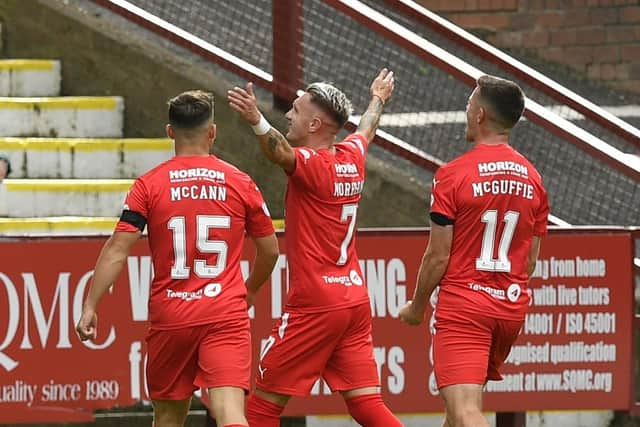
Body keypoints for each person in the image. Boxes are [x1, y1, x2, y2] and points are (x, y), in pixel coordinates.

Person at [76, 90, 279, 427]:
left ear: (170, 132)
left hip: (172, 315)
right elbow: (270, 250)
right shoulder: (241, 182)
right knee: (231, 414)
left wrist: (90, 305)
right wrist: (251, 289)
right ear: (212, 132)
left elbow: (118, 248)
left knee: (168, 418)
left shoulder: (148, 185)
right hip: (224, 312)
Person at [227, 69, 402, 427]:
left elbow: (280, 153)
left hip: (315, 304)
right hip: (353, 298)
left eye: (296, 109)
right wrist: (378, 98)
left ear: (314, 125)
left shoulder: (313, 165)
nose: (289, 115)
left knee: (259, 410)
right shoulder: (352, 156)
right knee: (367, 405)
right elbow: (366, 128)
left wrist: (255, 119)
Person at [399, 75, 549, 427]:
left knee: (466, 412)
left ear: (480, 115)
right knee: (458, 411)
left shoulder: (453, 175)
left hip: (465, 307)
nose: (466, 112)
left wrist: (417, 306)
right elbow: (529, 261)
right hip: (509, 308)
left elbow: (438, 256)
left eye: (469, 105)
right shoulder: (533, 178)